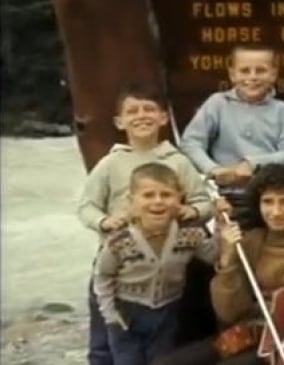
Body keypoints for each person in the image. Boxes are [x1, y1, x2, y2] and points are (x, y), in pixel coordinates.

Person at [77, 83, 214, 365]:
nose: (142, 116)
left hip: (166, 260)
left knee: (162, 336)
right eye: (133, 111)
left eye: (149, 109)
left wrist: (192, 210)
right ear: (120, 121)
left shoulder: (178, 162)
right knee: (105, 339)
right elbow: (86, 207)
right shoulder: (110, 164)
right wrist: (104, 222)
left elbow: (204, 201)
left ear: (164, 118)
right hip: (118, 257)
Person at [153, 163, 284, 365]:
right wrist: (228, 259)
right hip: (248, 333)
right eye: (268, 202)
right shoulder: (253, 239)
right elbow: (228, 312)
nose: (276, 211)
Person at [93, 163, 222, 365]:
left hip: (167, 312)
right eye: (148, 195)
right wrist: (110, 314)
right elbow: (103, 276)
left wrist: (222, 225)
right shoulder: (119, 241)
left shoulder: (189, 235)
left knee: (161, 361)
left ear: (180, 199)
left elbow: (213, 256)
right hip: (125, 314)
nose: (158, 201)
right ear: (131, 201)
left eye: (166, 195)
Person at [179, 44, 284, 228]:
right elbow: (190, 143)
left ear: (273, 74)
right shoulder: (217, 104)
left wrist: (252, 165)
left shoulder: (283, 111)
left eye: (260, 70)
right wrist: (214, 169)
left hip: (270, 197)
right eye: (245, 70)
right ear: (232, 74)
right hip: (228, 195)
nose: (252, 77)